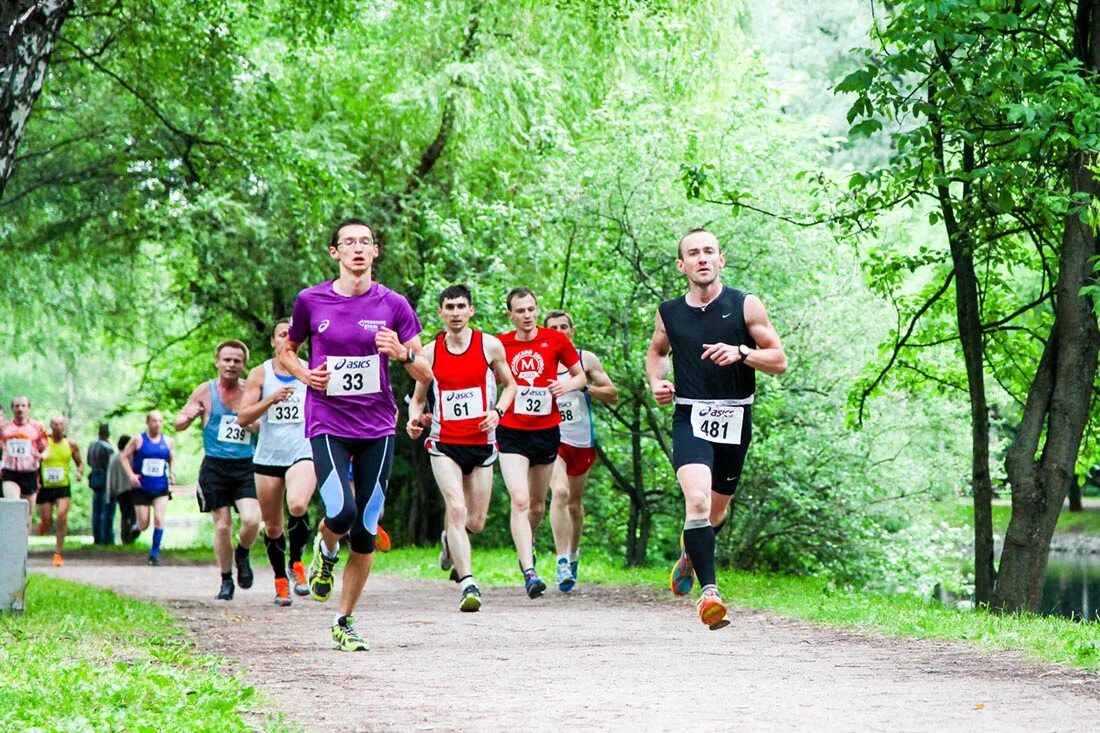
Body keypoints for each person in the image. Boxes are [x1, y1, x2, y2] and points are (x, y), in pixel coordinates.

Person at [280, 217, 430, 651]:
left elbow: (427, 369)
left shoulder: (394, 304)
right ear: (336, 253)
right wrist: (306, 374)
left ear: (376, 251)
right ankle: (325, 553)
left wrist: (402, 353)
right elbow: (286, 350)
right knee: (341, 511)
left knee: (365, 527)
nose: (358, 249)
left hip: (377, 424)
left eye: (366, 241)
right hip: (328, 419)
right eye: (349, 242)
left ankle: (344, 620)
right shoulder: (312, 301)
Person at [645, 229, 787, 630]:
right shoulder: (669, 312)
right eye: (693, 253)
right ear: (682, 265)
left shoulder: (744, 304)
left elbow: (778, 360)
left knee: (715, 512)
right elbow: (657, 353)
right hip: (690, 415)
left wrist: (742, 353)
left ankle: (692, 552)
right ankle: (710, 593)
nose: (702, 258)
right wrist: (658, 382)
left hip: (735, 417)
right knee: (698, 502)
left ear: (721, 259)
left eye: (709, 251)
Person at [407, 284, 517, 612]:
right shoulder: (430, 352)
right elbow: (416, 400)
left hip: (482, 443)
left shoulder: (490, 346)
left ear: (471, 311)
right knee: (456, 509)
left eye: (461, 307)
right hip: (444, 444)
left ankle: (448, 541)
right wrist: (413, 421)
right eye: (449, 307)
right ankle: (468, 583)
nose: (455, 313)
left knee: (476, 521)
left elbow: (510, 386)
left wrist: (497, 412)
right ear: (440, 313)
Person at [496, 288, 586, 598]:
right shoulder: (500, 344)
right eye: (520, 310)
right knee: (519, 501)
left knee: (536, 507)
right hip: (511, 431)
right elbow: (485, 379)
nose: (527, 315)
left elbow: (581, 377)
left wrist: (564, 385)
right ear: (511, 314)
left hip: (546, 431)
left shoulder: (555, 340)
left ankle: (529, 547)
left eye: (531, 309)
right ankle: (529, 570)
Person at [237, 319, 317, 606]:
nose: (287, 339)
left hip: (302, 450)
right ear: (273, 341)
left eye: (293, 335)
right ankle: (280, 582)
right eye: (282, 334)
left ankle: (297, 564)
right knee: (272, 526)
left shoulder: (310, 369)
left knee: (297, 504)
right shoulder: (261, 373)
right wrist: (270, 399)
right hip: (268, 456)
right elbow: (244, 418)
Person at [174, 341, 261, 600]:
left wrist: (254, 425)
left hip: (246, 466)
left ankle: (242, 554)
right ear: (217, 362)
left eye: (236, 361)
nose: (231, 365)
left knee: (252, 520)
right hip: (215, 467)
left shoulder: (251, 390)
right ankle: (226, 579)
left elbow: (264, 423)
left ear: (244, 365)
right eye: (226, 360)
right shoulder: (205, 391)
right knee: (222, 526)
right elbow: (178, 423)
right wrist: (188, 416)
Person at [541, 309, 619, 591]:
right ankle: (561, 559)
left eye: (565, 327)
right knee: (559, 493)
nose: (560, 331)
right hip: (552, 438)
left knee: (574, 504)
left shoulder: (585, 359)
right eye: (554, 328)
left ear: (572, 331)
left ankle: (573, 554)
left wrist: (585, 388)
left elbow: (612, 393)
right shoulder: (539, 360)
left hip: (581, 440)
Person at [121, 411, 175, 566]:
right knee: (144, 524)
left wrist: (172, 473)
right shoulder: (138, 440)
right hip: (141, 487)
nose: (157, 424)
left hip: (160, 487)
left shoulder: (168, 441)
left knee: (159, 518)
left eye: (160, 421)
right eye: (154, 421)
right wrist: (131, 475)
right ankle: (137, 526)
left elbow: (172, 459)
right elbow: (124, 457)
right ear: (148, 422)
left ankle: (154, 555)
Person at [37, 415, 84, 566]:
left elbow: (80, 463)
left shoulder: (70, 444)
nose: (58, 427)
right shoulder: (44, 443)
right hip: (45, 487)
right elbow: (36, 461)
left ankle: (58, 554)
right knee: (47, 521)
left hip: (63, 486)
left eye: (60, 424)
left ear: (65, 426)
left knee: (61, 516)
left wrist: (79, 472)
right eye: (55, 424)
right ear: (51, 426)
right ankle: (43, 525)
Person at [1, 396, 49, 533]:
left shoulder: (37, 427)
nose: (20, 409)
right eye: (16, 406)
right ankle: (11, 543)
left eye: (23, 406)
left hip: (30, 473)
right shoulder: (4, 428)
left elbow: (46, 448)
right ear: (12, 409)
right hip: (10, 473)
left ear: (29, 408)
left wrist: (41, 456)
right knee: (14, 506)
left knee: (26, 514)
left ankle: (23, 548)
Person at [86, 423, 116, 545]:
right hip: (105, 478)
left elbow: (88, 461)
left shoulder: (92, 446)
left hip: (94, 477)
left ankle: (97, 537)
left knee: (96, 510)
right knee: (107, 509)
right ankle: (106, 538)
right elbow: (111, 466)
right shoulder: (108, 448)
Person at [106, 434, 137, 543]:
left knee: (124, 514)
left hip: (119, 490)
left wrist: (110, 493)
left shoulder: (113, 458)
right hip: (132, 489)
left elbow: (110, 476)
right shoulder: (131, 456)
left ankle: (125, 537)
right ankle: (133, 533)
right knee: (133, 513)